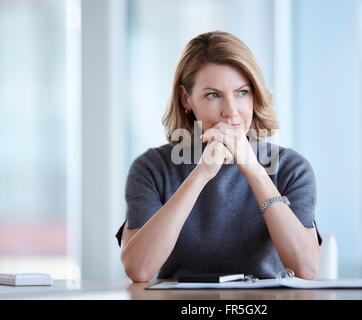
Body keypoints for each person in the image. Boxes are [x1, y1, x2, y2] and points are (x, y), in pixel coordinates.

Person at [115, 31, 322, 283]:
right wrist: (201, 175)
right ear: (186, 98)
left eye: (242, 92)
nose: (231, 111)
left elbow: (306, 268)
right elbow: (139, 269)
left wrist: (254, 171)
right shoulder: (151, 168)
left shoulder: (291, 168)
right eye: (213, 95)